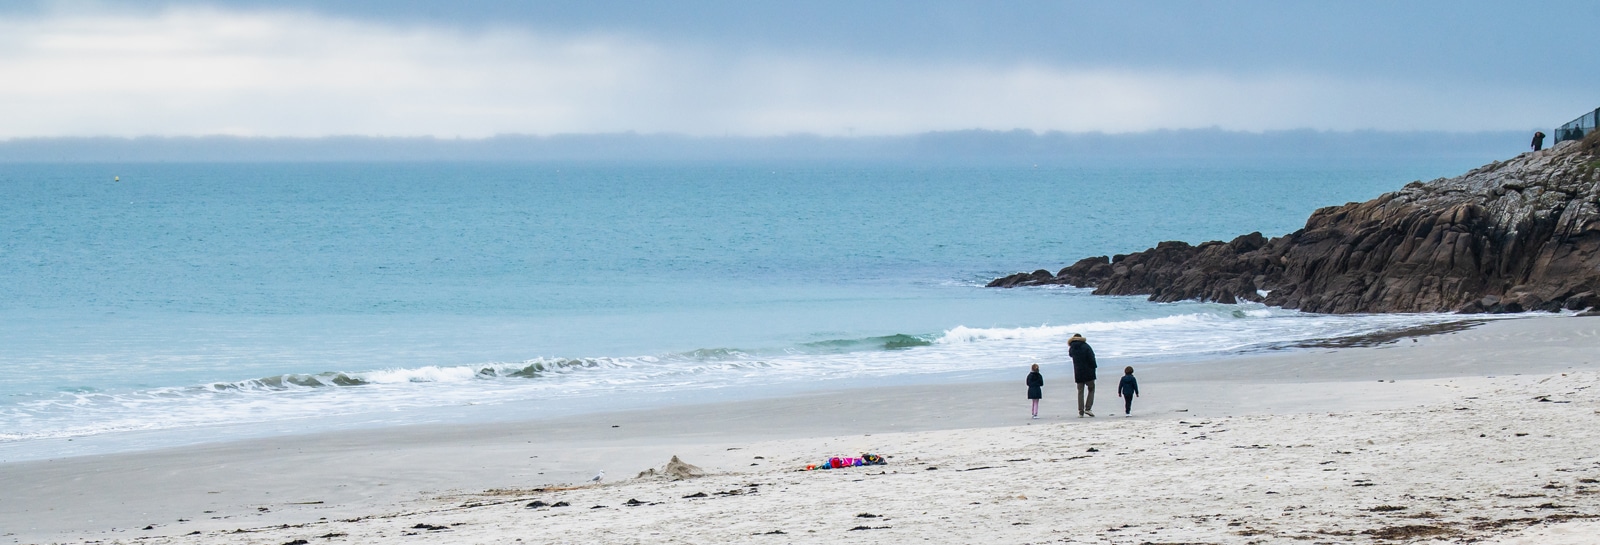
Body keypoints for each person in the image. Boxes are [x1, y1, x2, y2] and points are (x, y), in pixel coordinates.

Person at [1068, 333, 1096, 417]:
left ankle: (1081, 412)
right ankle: (1088, 408)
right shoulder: (1086, 346)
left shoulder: (1072, 348)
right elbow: (1092, 358)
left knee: (1080, 392)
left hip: (1078, 372)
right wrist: (1094, 367)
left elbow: (1070, 355)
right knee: (1091, 389)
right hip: (1089, 372)